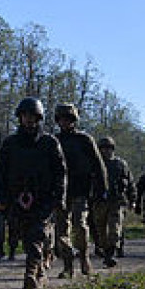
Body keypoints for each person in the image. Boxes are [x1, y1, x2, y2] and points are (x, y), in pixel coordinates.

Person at [0, 97, 67, 289]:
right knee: (26, 236)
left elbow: (60, 172)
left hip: (43, 198)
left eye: (33, 116)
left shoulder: (49, 143)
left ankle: (30, 274)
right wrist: (0, 198)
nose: (29, 120)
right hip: (16, 198)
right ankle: (40, 269)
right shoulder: (10, 144)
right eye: (25, 116)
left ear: (39, 118)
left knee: (36, 234)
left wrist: (59, 198)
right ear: (20, 117)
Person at [52, 103, 107, 278]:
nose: (65, 122)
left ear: (74, 120)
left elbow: (98, 165)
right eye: (61, 119)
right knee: (61, 230)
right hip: (60, 192)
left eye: (68, 119)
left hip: (80, 190)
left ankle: (84, 257)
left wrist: (102, 188)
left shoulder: (84, 140)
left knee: (81, 226)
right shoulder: (53, 141)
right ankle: (68, 265)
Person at [91, 136, 136, 268]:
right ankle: (106, 251)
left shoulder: (120, 164)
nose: (106, 151)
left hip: (116, 201)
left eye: (109, 148)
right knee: (100, 231)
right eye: (103, 149)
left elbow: (130, 183)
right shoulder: (94, 165)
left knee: (114, 228)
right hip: (99, 202)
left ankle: (111, 253)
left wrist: (132, 199)